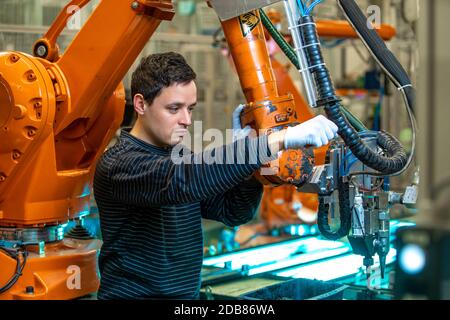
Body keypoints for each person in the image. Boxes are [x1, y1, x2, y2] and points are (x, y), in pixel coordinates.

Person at [93, 51, 338, 299]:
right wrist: (277, 140)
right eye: (174, 108)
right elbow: (181, 182)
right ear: (140, 104)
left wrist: (250, 171)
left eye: (190, 108)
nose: (186, 120)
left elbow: (233, 212)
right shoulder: (119, 164)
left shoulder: (180, 156)